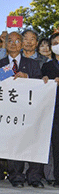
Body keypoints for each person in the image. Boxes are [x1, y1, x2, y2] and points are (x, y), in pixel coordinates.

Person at [0, 31, 44, 188]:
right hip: (10, 111)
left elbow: (41, 85)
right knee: (13, 142)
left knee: (33, 141)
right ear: (5, 44)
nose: (13, 44)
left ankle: (34, 176)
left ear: (21, 45)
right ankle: (16, 176)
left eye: (17, 41)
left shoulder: (33, 64)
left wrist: (27, 77)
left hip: (30, 110)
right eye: (10, 41)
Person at [42, 33, 59, 188]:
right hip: (55, 111)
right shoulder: (47, 66)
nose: (57, 44)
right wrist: (44, 82)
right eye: (55, 43)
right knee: (57, 145)